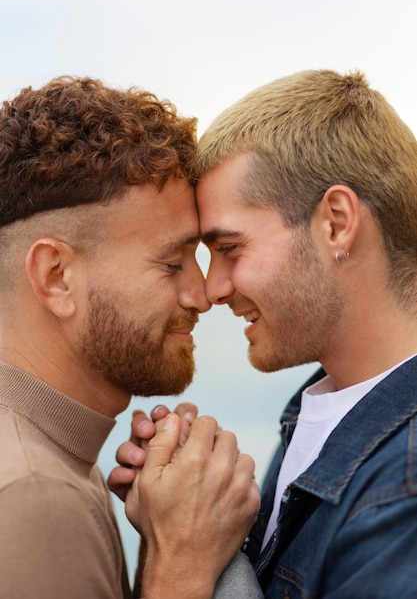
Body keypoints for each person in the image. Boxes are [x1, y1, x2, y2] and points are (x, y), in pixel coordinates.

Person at [110, 69, 417, 598]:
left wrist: (179, 564)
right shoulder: (319, 416)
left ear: (337, 223)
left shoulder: (403, 494)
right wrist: (193, 520)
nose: (211, 288)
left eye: (229, 249)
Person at [0, 76, 260, 599]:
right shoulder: (34, 497)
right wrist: (180, 565)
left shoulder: (54, 462)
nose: (202, 294)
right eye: (171, 263)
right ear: (56, 277)